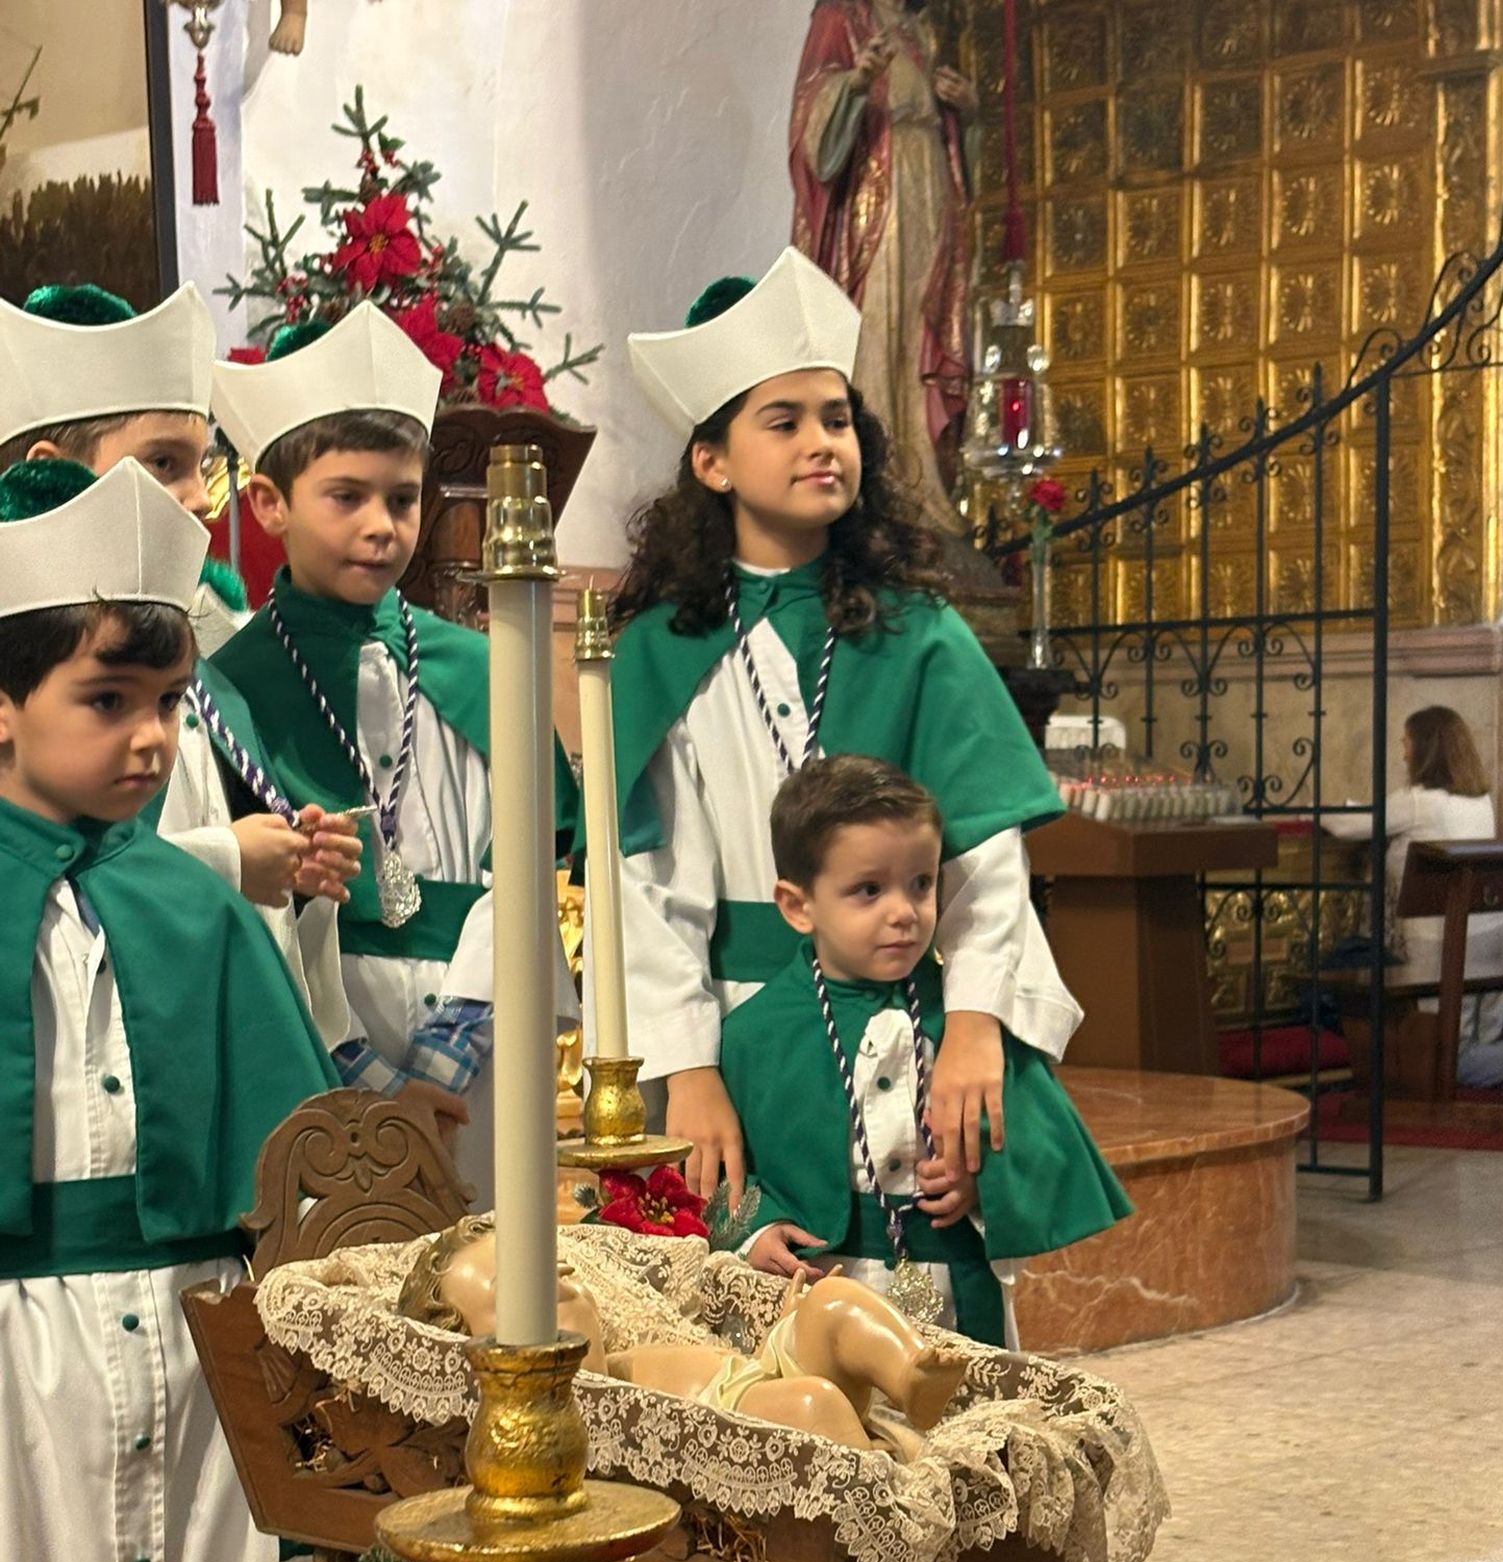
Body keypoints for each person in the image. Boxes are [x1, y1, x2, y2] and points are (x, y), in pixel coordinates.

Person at [0, 457, 341, 1562]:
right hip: (21, 1357)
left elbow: (291, 1157)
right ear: (6, 708)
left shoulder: (198, 908)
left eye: (166, 700)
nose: (151, 740)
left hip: (192, 1332)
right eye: (108, 701)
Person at [615, 247, 1079, 1203]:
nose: (819, 442)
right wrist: (686, 1064)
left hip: (913, 1018)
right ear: (711, 461)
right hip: (741, 1029)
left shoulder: (919, 633)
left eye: (837, 419)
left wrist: (980, 1018)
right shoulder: (662, 653)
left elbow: (986, 858)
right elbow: (647, 884)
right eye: (781, 423)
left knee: (929, 1300)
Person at [208, 304, 579, 1173]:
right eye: (348, 496)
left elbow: (527, 871)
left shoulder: (488, 667)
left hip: (480, 1036)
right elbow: (253, 901)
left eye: (403, 498)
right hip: (317, 1043)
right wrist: (370, 1076)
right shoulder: (233, 685)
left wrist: (448, 1051)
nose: (384, 524)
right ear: (269, 504)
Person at [0, 283, 360, 1041]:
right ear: (53, 469)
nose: (201, 498)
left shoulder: (214, 676)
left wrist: (296, 870)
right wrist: (228, 860)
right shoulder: (24, 679)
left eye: (204, 464)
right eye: (164, 462)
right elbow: (41, 876)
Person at [717, 756, 1130, 1344]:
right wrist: (755, 1232)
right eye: (868, 890)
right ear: (798, 905)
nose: (904, 912)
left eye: (922, 884)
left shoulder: (966, 1027)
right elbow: (723, 1176)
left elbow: (1040, 1145)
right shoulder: (757, 1033)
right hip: (819, 1298)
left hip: (953, 1294)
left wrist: (981, 1186)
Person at [788, 0, 976, 532]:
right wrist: (854, 82)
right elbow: (812, 136)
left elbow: (961, 153)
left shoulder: (921, 28)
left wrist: (968, 114)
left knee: (922, 335)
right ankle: (874, 488)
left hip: (928, 192)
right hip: (878, 201)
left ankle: (922, 489)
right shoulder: (840, 16)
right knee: (880, 330)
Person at [1328, 703, 1503, 1088]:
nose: (1403, 752)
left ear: (1425, 748)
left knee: (1443, 1054)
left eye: (1407, 742)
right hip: (1494, 935)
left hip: (1444, 941)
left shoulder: (1418, 801)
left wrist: (1312, 812)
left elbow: (1349, 826)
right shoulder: (1480, 799)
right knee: (1480, 1039)